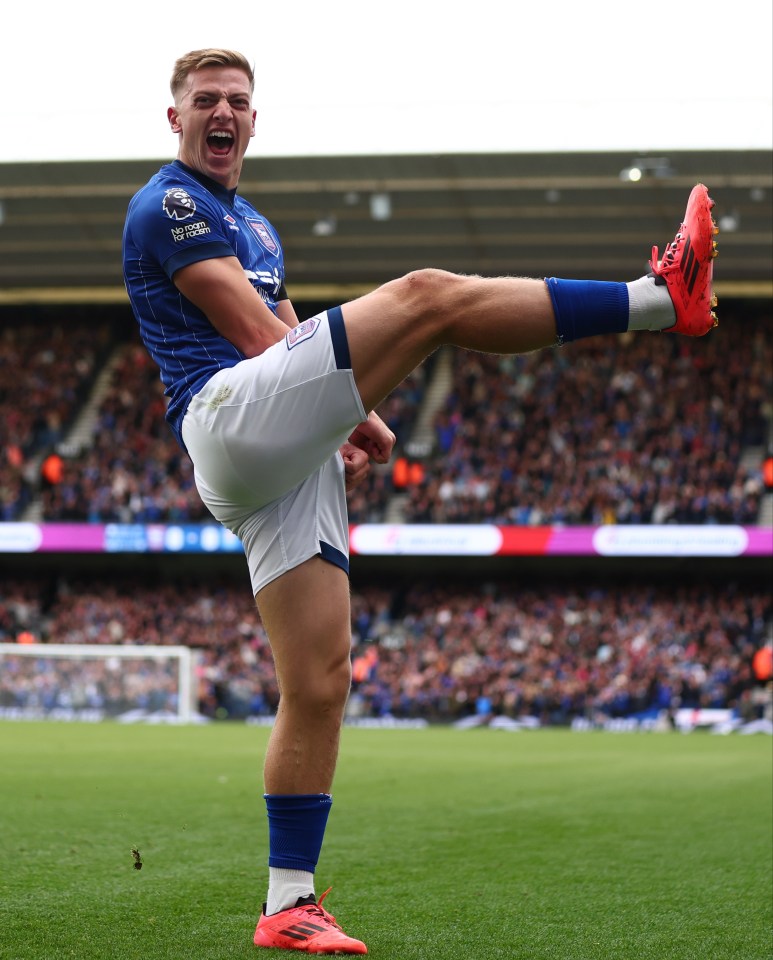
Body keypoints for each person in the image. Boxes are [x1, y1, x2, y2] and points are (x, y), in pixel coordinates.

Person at [122, 48, 719, 955]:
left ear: (255, 120)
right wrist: (346, 403)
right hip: (228, 416)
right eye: (205, 99)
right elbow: (250, 335)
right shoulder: (169, 203)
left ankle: (289, 905)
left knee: (320, 681)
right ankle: (656, 298)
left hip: (278, 442)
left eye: (238, 101)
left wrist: (344, 416)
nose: (223, 112)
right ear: (176, 119)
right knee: (429, 298)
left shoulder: (257, 225)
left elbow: (285, 328)